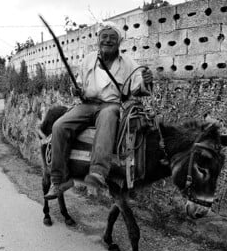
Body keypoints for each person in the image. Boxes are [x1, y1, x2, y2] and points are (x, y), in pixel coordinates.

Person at [45, 21, 154, 199]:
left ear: (119, 42)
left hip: (110, 105)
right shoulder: (89, 59)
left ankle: (98, 171)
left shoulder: (128, 63)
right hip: (87, 104)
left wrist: (147, 80)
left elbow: (138, 87)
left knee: (108, 116)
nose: (108, 40)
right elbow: (78, 84)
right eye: (104, 37)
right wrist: (76, 90)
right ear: (98, 40)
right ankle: (59, 180)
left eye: (112, 37)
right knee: (59, 126)